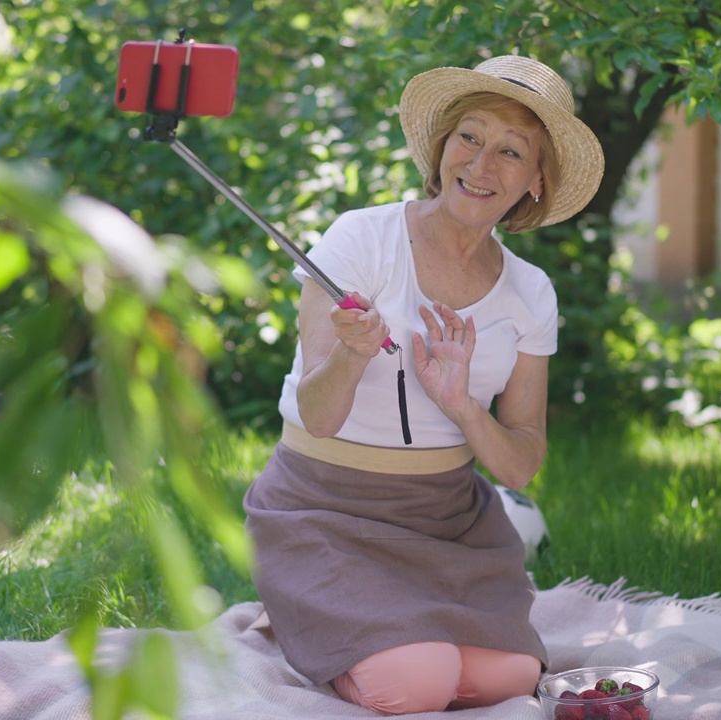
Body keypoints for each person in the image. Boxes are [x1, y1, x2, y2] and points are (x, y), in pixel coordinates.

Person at [243, 54, 605, 715]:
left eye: (511, 150)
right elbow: (316, 417)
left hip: (447, 522)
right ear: (442, 147)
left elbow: (519, 465)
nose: (481, 164)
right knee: (416, 685)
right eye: (469, 135)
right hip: (325, 509)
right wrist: (352, 355)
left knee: (510, 679)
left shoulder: (531, 292)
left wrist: (463, 405)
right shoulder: (361, 239)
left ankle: (363, 634)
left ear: (536, 181)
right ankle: (315, 622)